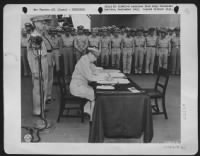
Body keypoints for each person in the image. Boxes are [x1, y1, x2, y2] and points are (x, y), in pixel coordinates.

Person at [69, 47, 102, 122]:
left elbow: (94, 68)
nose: (96, 59)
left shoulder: (87, 59)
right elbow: (90, 77)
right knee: (95, 94)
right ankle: (92, 119)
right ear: (90, 54)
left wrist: (99, 70)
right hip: (77, 87)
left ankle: (87, 110)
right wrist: (102, 78)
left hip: (81, 85)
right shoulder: (84, 61)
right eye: (95, 57)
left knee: (94, 92)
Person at [25, 20, 49, 116]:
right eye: (42, 24)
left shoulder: (40, 35)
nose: (44, 26)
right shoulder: (33, 37)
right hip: (37, 65)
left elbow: (43, 51)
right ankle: (37, 110)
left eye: (44, 24)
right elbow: (31, 56)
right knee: (37, 88)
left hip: (43, 62)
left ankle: (42, 107)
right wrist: (34, 71)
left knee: (44, 87)